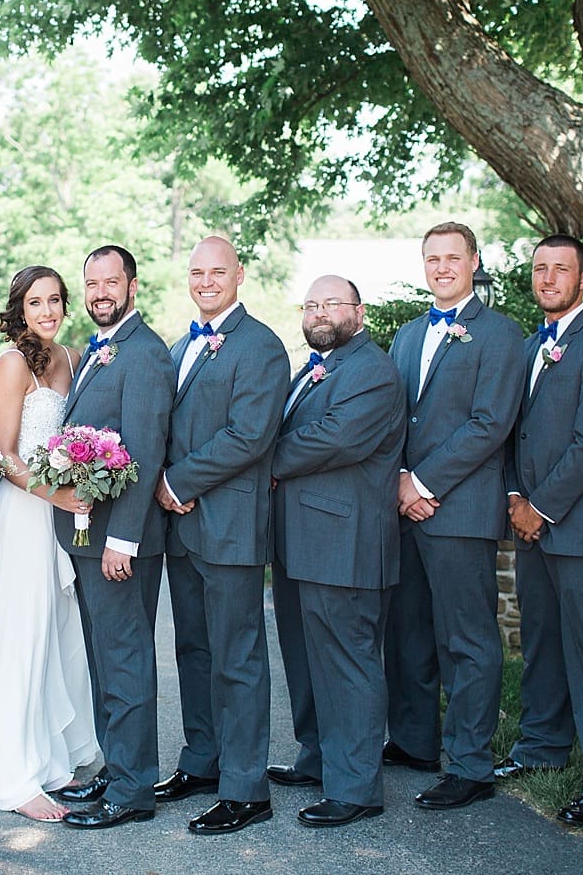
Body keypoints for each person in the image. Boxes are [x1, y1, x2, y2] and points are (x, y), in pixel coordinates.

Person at [497, 234, 583, 828]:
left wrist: (541, 507)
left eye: (561, 269)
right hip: (531, 524)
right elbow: (512, 433)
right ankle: (541, 745)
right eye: (540, 268)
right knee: (542, 642)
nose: (548, 278)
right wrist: (514, 497)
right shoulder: (529, 346)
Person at [382, 223, 525, 810]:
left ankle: (470, 764)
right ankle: (415, 741)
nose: (441, 267)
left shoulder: (501, 334)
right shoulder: (407, 335)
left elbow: (490, 424)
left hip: (459, 509)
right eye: (432, 258)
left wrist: (422, 482)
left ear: (473, 262)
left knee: (467, 639)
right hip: (404, 508)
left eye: (452, 257)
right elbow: (392, 415)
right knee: (408, 631)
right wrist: (398, 477)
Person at [154, 235, 289, 835]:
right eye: (196, 272)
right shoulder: (181, 344)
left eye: (217, 272)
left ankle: (246, 788)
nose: (206, 282)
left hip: (229, 527)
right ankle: (202, 761)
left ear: (239, 275)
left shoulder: (261, 346)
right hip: (182, 528)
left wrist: (177, 481)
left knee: (238, 659)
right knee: (194, 650)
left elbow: (249, 435)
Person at [268, 275, 406, 828]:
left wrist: (260, 457)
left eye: (331, 303)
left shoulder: (371, 370)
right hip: (301, 539)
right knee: (306, 658)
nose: (319, 312)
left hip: (344, 543)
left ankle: (356, 788)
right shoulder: (315, 367)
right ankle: (318, 758)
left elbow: (336, 437)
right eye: (311, 304)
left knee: (348, 664)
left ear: (359, 311)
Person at [0, 267, 100, 821]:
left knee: (56, 628)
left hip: (61, 510)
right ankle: (12, 774)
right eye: (35, 302)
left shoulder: (73, 357)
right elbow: (5, 455)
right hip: (26, 508)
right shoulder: (11, 363)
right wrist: (59, 495)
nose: (46, 311)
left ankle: (50, 756)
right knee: (21, 631)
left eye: (54, 300)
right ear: (19, 310)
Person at [55, 245, 173, 831]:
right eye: (92, 283)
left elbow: (145, 450)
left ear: (132, 286)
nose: (100, 292)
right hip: (88, 535)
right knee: (105, 659)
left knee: (124, 661)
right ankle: (116, 766)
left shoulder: (145, 353)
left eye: (111, 282)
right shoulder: (101, 349)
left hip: (118, 542)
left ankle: (133, 790)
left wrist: (122, 538)